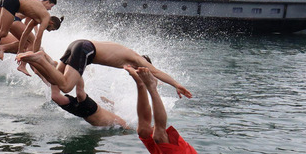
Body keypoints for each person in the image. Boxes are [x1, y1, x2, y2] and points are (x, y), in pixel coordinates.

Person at [16, 39, 192, 99]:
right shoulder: (136, 58)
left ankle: (39, 60)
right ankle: (40, 58)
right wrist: (176, 84)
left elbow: (153, 78)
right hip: (85, 49)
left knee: (55, 81)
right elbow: (156, 72)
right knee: (66, 87)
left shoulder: (126, 52)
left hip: (78, 43)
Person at [51, 84, 129, 128]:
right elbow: (127, 127)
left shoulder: (114, 119)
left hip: (80, 113)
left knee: (55, 96)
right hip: (91, 110)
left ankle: (53, 69)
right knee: (80, 93)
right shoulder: (120, 121)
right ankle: (77, 71)